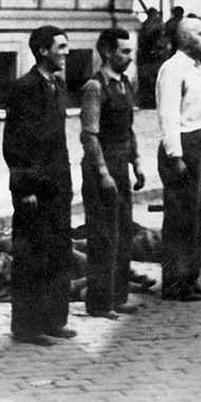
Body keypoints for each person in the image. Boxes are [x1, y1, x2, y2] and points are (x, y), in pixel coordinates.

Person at [1, 25, 76, 346]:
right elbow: (14, 145)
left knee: (58, 253)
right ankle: (28, 327)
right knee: (32, 257)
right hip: (33, 189)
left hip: (58, 185)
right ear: (43, 50)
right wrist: (24, 189)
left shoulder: (57, 86)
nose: (66, 52)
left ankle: (53, 320)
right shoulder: (24, 88)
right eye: (61, 46)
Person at [80, 28, 146, 319]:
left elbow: (128, 128)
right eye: (124, 52)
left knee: (122, 233)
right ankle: (99, 302)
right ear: (107, 52)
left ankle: (118, 297)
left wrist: (138, 162)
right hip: (101, 168)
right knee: (103, 236)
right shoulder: (95, 87)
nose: (130, 57)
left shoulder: (124, 84)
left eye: (131, 52)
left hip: (121, 165)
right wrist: (103, 172)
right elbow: (89, 135)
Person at [155, 16, 201, 302]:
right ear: (185, 39)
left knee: (199, 215)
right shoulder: (172, 69)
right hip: (186, 145)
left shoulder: (198, 67)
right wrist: (175, 156)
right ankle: (173, 282)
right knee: (181, 217)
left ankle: (190, 278)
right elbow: (168, 115)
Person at [137, 8, 164, 108]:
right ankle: (152, 102)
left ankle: (147, 102)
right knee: (153, 80)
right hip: (152, 58)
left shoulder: (145, 25)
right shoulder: (156, 26)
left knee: (148, 81)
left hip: (147, 58)